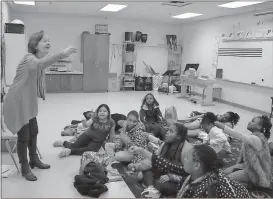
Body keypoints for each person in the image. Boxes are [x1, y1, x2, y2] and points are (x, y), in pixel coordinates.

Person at [2, 30, 77, 181]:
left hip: (28, 101)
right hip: (18, 102)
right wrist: (62, 53)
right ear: (35, 45)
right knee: (23, 136)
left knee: (34, 131)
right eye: (44, 41)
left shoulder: (36, 59)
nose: (48, 43)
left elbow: (42, 66)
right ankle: (24, 167)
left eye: (49, 40)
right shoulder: (29, 58)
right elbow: (39, 65)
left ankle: (34, 159)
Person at [129, 144, 250, 198]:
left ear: (197, 165)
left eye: (186, 157)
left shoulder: (207, 189)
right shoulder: (198, 172)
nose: (184, 159)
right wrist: (142, 151)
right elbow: (169, 166)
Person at [215, 115, 272, 188]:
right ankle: (244, 182)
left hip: (255, 172)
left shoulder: (257, 139)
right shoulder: (253, 137)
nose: (249, 122)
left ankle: (250, 184)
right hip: (247, 165)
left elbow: (240, 136)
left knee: (226, 180)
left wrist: (223, 127)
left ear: (259, 127)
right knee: (224, 173)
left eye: (252, 121)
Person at [139, 122, 192, 198]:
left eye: (171, 131)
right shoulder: (165, 144)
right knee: (146, 171)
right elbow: (154, 160)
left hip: (176, 179)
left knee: (161, 184)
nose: (167, 133)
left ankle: (154, 188)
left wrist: (170, 177)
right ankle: (151, 188)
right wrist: (135, 166)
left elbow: (188, 175)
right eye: (168, 130)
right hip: (162, 174)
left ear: (178, 136)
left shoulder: (187, 150)